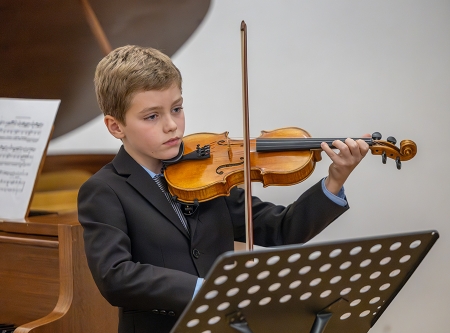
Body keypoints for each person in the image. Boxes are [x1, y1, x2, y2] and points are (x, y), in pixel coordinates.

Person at [77, 45, 370, 333]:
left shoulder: (208, 176)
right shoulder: (105, 190)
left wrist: (336, 179)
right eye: (152, 116)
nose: (172, 126)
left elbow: (283, 229)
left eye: (177, 109)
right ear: (116, 127)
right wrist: (203, 290)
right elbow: (115, 276)